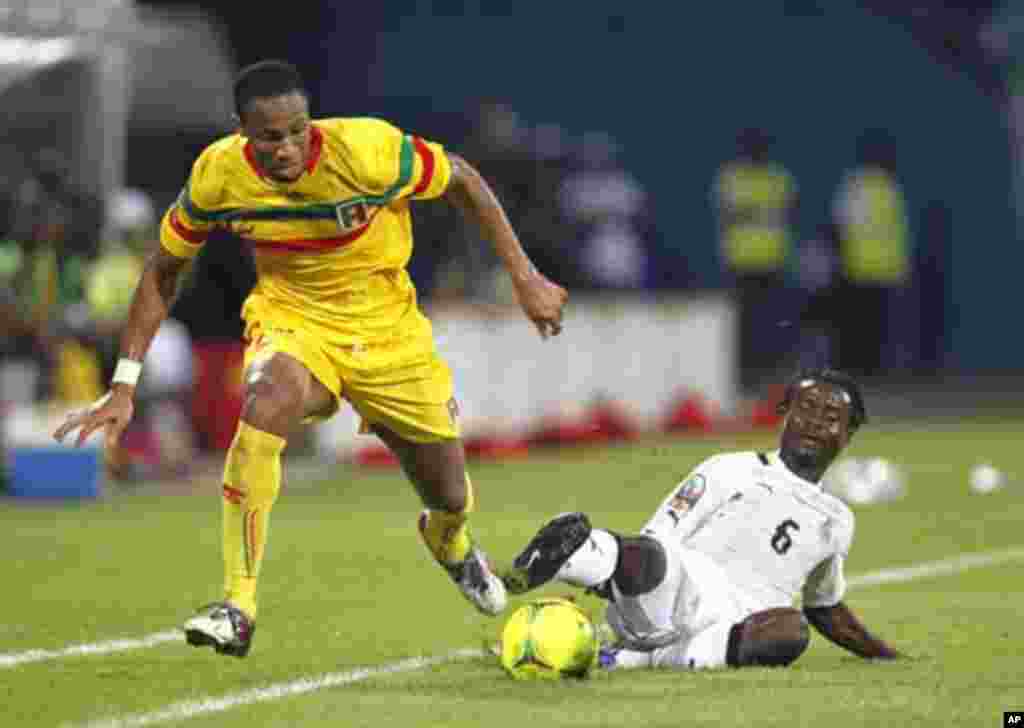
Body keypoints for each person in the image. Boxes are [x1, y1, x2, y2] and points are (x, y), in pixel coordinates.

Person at [53, 60, 568, 657]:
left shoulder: (367, 150)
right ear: (242, 130)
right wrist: (124, 382)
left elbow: (462, 179)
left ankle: (449, 543)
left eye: (298, 129)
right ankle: (237, 604)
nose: (288, 146)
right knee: (266, 395)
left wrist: (525, 277)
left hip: (388, 333)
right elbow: (164, 269)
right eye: (270, 135)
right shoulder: (218, 176)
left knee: (449, 495)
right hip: (293, 321)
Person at [503, 368, 903, 671]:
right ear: (785, 416)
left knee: (791, 631)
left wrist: (884, 654)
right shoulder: (730, 469)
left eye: (830, 415)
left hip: (734, 628)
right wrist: (620, 579)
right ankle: (576, 551)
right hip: (680, 589)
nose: (815, 422)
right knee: (648, 555)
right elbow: (658, 535)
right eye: (806, 409)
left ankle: (636, 658)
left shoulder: (838, 520)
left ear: (848, 434)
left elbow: (825, 607)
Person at [712, 127, 798, 395]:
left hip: (773, 260)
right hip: (740, 260)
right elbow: (727, 212)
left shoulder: (779, 177)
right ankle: (742, 375)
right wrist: (760, 212)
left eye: (760, 147)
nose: (756, 152)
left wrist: (751, 211)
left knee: (773, 322)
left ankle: (772, 375)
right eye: (752, 147)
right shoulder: (731, 177)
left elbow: (790, 209)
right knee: (741, 323)